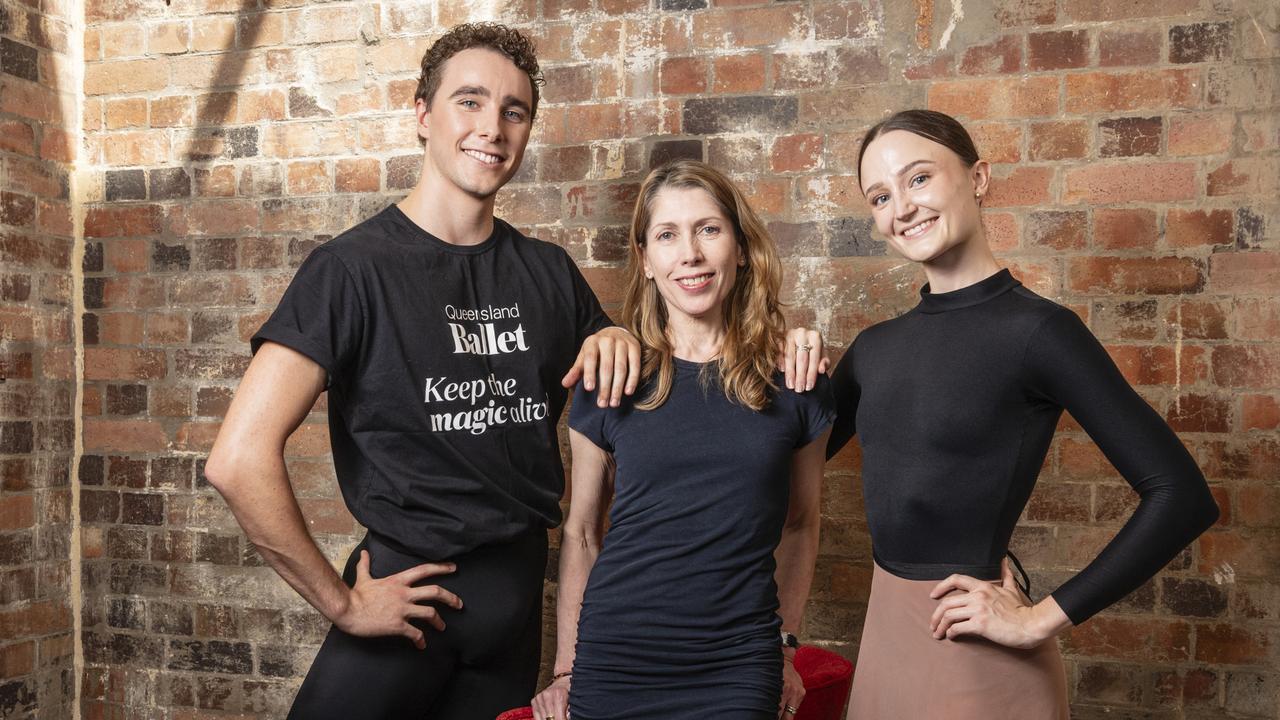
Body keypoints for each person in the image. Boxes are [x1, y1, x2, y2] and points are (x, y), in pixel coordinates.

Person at [205, 24, 826, 720]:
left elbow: (663, 346)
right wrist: (343, 602)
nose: (492, 128)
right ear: (421, 115)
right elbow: (237, 459)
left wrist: (779, 341)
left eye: (514, 110)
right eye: (469, 102)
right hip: (414, 598)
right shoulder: (349, 272)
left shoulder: (550, 276)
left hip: (517, 607)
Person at [826, 109, 1220, 718]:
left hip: (980, 664)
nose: (901, 207)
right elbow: (771, 458)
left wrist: (1041, 620)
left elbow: (1182, 495)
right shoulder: (873, 349)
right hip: (884, 648)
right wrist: (773, 352)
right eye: (880, 196)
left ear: (978, 177)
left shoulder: (1040, 332)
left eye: (919, 179)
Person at [531, 160, 834, 720]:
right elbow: (581, 533)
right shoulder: (610, 377)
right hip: (616, 657)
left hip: (737, 662)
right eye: (667, 235)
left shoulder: (795, 379)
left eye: (709, 229)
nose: (689, 253)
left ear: (741, 250)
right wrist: (567, 668)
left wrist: (787, 644)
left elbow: (801, 523)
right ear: (646, 261)